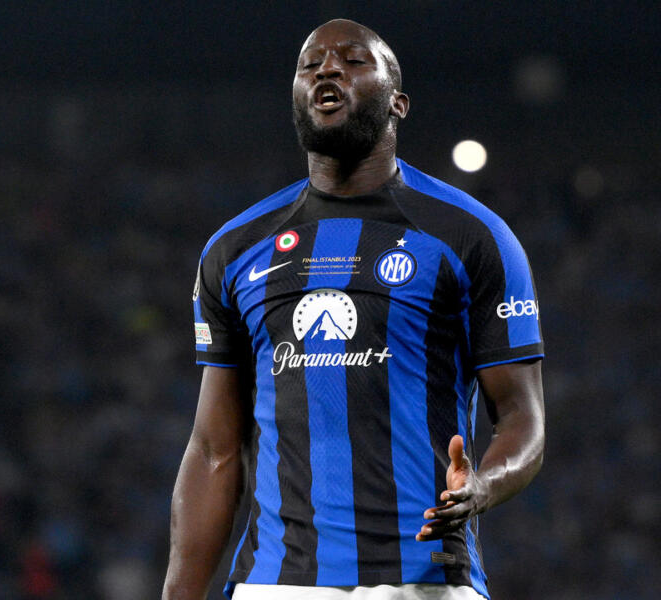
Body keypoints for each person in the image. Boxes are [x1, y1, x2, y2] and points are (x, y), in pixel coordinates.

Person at [163, 19, 545, 600]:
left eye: (353, 60)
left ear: (398, 103)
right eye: (310, 64)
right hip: (277, 585)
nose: (327, 69)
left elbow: (522, 416)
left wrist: (482, 487)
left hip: (425, 583)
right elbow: (214, 450)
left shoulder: (472, 236)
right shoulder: (235, 249)